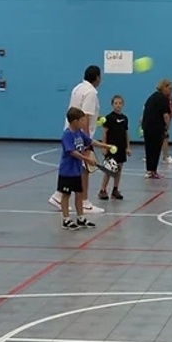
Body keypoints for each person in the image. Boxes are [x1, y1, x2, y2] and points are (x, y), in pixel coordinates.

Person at [50, 65, 104, 215]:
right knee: (84, 170)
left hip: (71, 132)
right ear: (97, 77)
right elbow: (84, 116)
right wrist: (86, 143)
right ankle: (85, 202)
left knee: (74, 168)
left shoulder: (78, 88)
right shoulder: (91, 92)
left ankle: (58, 196)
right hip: (79, 136)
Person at [58, 107, 96, 229]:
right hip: (67, 171)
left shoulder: (79, 133)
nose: (84, 122)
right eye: (82, 120)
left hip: (77, 171)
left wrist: (105, 145)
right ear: (75, 121)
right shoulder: (67, 135)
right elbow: (72, 152)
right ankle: (66, 219)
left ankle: (80, 218)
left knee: (79, 194)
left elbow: (90, 142)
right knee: (66, 195)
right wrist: (87, 159)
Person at [97, 95, 130, 201]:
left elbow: (126, 134)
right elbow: (104, 132)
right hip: (111, 148)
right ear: (112, 105)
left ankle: (115, 189)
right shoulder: (109, 118)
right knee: (109, 170)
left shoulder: (125, 118)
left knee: (118, 169)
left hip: (121, 148)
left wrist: (128, 147)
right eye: (116, 103)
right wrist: (104, 146)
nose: (118, 105)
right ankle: (102, 190)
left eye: (120, 103)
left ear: (123, 105)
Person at [141, 79, 172, 179]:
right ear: (164, 87)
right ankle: (153, 171)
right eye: (170, 89)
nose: (171, 91)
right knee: (155, 149)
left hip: (147, 126)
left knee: (149, 149)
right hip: (156, 127)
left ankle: (149, 171)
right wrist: (167, 127)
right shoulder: (164, 99)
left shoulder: (152, 97)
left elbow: (144, 111)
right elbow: (166, 116)